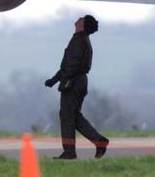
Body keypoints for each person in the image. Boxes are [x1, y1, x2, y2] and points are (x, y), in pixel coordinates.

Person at [44, 15, 109, 160]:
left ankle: (69, 152)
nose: (79, 18)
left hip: (73, 83)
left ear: (83, 24)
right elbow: (70, 65)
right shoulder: (81, 39)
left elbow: (70, 66)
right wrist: (54, 80)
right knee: (74, 116)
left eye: (82, 18)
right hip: (78, 82)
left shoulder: (79, 40)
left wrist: (62, 81)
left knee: (67, 117)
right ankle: (99, 141)